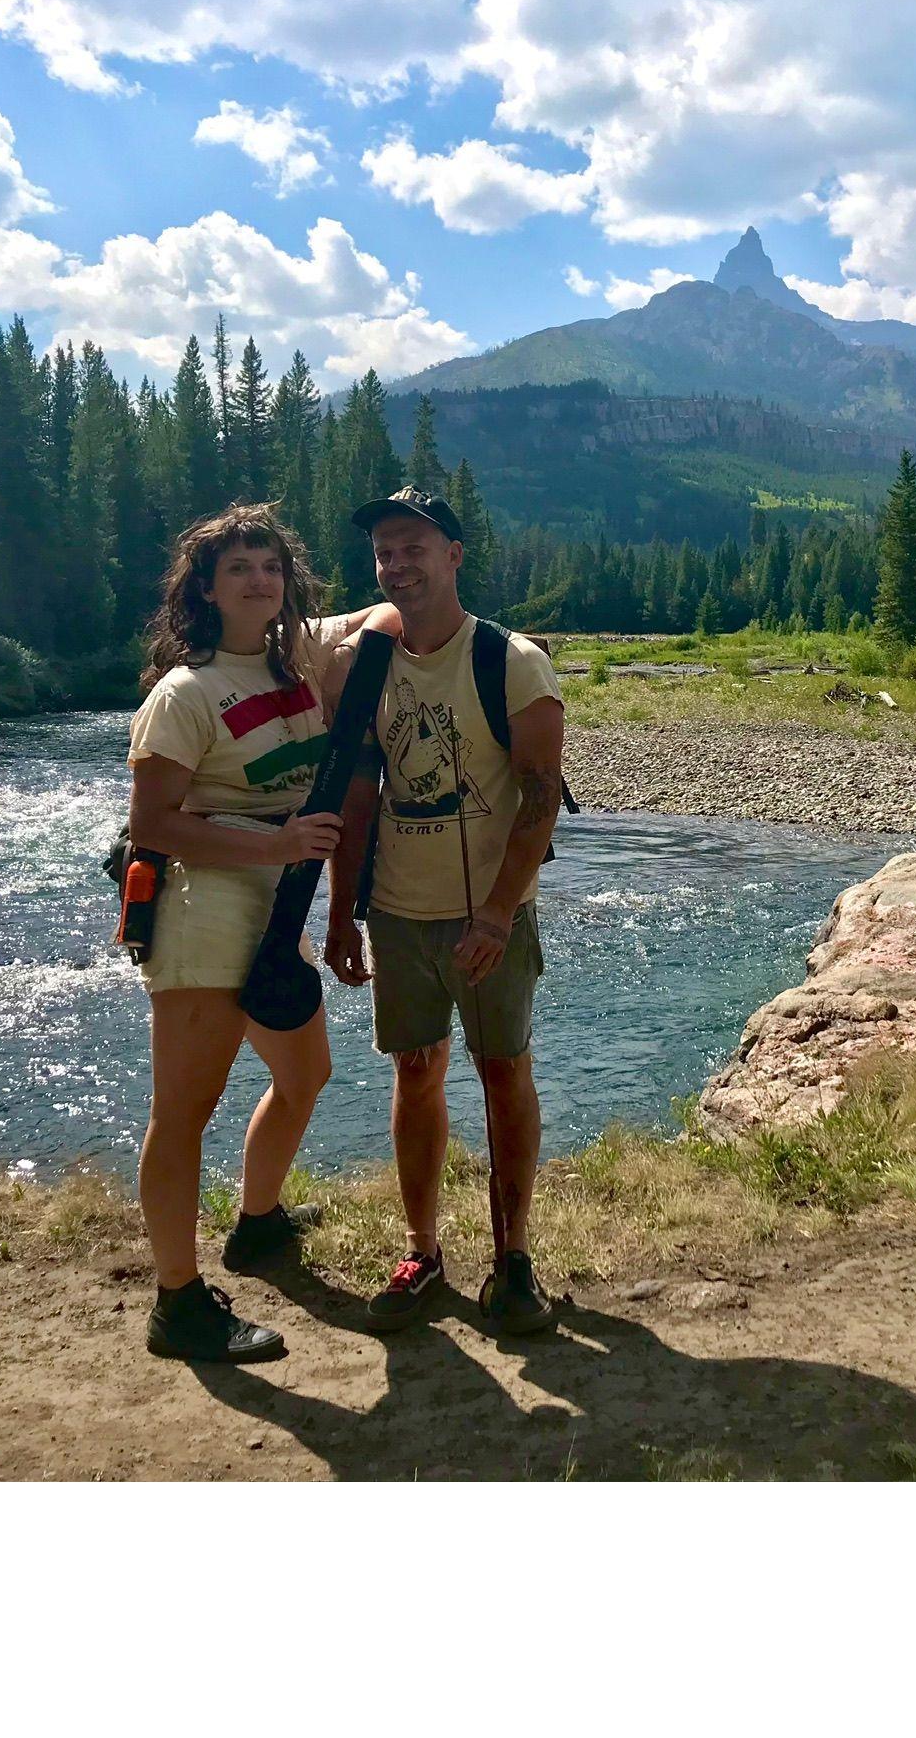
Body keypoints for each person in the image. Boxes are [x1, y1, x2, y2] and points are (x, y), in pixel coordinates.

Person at [125, 504, 372, 1364]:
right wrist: (272, 843)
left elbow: (379, 621)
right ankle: (177, 1302)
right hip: (201, 911)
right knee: (184, 1113)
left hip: (278, 902)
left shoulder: (292, 667)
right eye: (238, 568)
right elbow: (153, 825)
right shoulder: (184, 694)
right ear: (205, 588)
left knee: (307, 1074)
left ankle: (257, 1224)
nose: (258, 580)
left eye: (270, 565)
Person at [323, 486, 567, 1337]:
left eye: (415, 547)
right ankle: (422, 1251)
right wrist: (340, 913)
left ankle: (514, 1259)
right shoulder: (364, 667)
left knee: (504, 1071)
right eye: (386, 551)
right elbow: (357, 797)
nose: (398, 563)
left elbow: (540, 801)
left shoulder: (511, 662)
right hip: (398, 911)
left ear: (454, 555)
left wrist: (500, 913)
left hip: (490, 916)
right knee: (415, 1072)